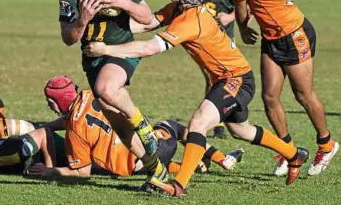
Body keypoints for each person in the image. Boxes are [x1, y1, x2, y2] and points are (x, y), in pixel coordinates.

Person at [84, 0, 309, 196]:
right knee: (241, 131)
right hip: (229, 78)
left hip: (236, 80)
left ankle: (178, 185)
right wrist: (105, 24)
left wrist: (106, 49)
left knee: (198, 123)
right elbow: (147, 23)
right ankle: (294, 154)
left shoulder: (191, 20)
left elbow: (150, 47)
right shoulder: (179, 9)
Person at [224, 0, 338, 177]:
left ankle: (327, 144)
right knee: (269, 97)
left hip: (294, 34)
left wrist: (243, 29)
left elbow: (241, 10)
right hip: (273, 36)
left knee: (303, 95)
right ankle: (288, 151)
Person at [58, 0, 167, 188]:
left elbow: (145, 16)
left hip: (122, 50)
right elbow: (67, 38)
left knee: (105, 88)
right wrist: (83, 20)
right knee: (118, 122)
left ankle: (144, 126)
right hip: (93, 57)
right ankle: (156, 169)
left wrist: (122, 2)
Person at [24, 76, 243, 179]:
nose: (48, 105)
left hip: (137, 163)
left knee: (170, 127)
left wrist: (50, 171)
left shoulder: (75, 129)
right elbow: (72, 119)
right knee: (173, 127)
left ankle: (217, 161)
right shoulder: (92, 93)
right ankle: (218, 160)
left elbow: (82, 172)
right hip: (152, 151)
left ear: (60, 101)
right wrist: (45, 126)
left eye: (50, 101)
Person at [199, 0, 236, 140]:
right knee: (212, 77)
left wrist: (229, 17)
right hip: (202, 39)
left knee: (223, 78)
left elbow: (243, 6)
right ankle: (218, 121)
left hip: (225, 39)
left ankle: (220, 119)